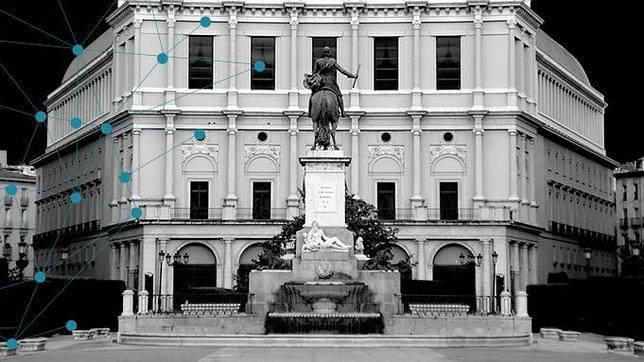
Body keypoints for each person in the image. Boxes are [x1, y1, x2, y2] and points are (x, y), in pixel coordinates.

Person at [306, 46, 357, 118]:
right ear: (329, 52)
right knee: (339, 96)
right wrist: (352, 76)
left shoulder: (318, 61)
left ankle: (309, 112)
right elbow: (342, 71)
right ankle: (342, 111)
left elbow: (314, 73)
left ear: (323, 53)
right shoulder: (333, 61)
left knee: (312, 95)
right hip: (331, 82)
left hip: (321, 83)